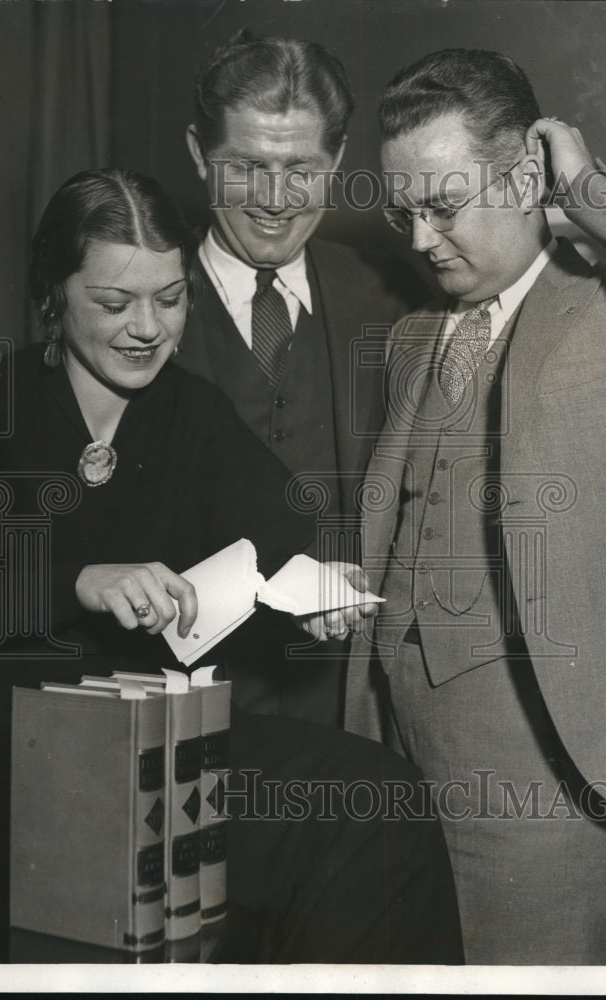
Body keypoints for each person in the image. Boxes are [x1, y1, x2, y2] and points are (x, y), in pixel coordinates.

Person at [0, 167, 462, 964]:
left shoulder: (195, 413)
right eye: (115, 303)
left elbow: (284, 540)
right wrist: (78, 580)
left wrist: (318, 592)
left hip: (164, 740)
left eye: (171, 297)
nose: (148, 327)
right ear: (53, 294)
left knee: (378, 801)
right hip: (26, 762)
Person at [344, 49, 606, 964]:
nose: (421, 240)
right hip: (398, 765)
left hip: (546, 785)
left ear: (522, 176)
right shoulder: (411, 337)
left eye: (443, 205)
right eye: (404, 212)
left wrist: (587, 186)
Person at [177, 30, 423, 726]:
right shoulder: (130, 305)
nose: (275, 200)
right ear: (199, 153)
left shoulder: (389, 296)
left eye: (302, 169)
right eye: (247, 167)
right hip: (173, 704)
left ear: (338, 160)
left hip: (349, 705)